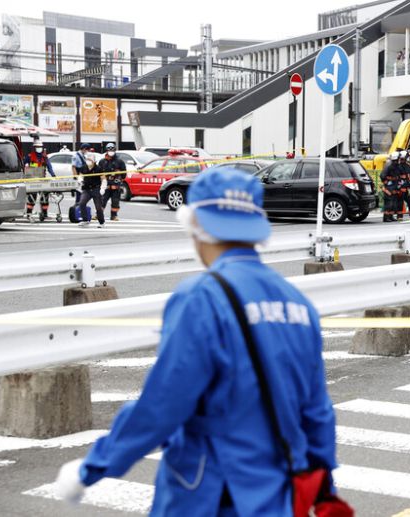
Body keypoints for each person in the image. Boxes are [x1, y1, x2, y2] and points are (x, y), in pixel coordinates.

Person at [53, 167, 341, 515]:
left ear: (197, 226)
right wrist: (326, 488)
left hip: (210, 492)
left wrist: (92, 469)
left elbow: (164, 403)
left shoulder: (202, 298)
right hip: (276, 492)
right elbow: (317, 411)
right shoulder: (297, 303)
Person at [74, 149, 105, 229]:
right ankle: (85, 220)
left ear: (94, 161)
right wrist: (80, 180)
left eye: (90, 160)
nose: (88, 161)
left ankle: (101, 222)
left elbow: (103, 179)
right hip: (86, 189)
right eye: (87, 159)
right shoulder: (84, 167)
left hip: (96, 189)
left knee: (98, 207)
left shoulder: (98, 168)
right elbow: (80, 175)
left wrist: (102, 188)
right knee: (82, 203)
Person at [24, 140, 55, 221]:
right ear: (34, 148)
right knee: (32, 198)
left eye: (40, 147)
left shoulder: (44, 157)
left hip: (42, 180)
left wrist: (53, 175)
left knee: (45, 197)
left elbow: (49, 167)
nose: (39, 149)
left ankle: (44, 214)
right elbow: (24, 166)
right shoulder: (29, 157)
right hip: (32, 181)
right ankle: (29, 213)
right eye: (37, 147)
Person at [98, 143, 126, 221]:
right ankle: (99, 215)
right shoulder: (102, 162)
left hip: (116, 185)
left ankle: (114, 216)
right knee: (102, 201)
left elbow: (124, 174)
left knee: (115, 202)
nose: (111, 152)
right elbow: (98, 173)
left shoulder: (119, 162)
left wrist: (119, 174)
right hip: (105, 185)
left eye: (112, 150)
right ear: (106, 151)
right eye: (109, 150)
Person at [380, 152, 401, 223]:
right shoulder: (389, 166)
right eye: (398, 158)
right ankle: (386, 217)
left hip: (394, 186)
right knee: (389, 202)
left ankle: (391, 216)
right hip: (389, 187)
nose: (399, 160)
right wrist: (386, 182)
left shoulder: (396, 166)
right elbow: (382, 176)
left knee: (394, 202)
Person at [397, 150, 410, 220]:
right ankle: (399, 217)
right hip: (401, 188)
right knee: (400, 203)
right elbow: (396, 178)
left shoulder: (408, 166)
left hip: (408, 187)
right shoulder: (398, 167)